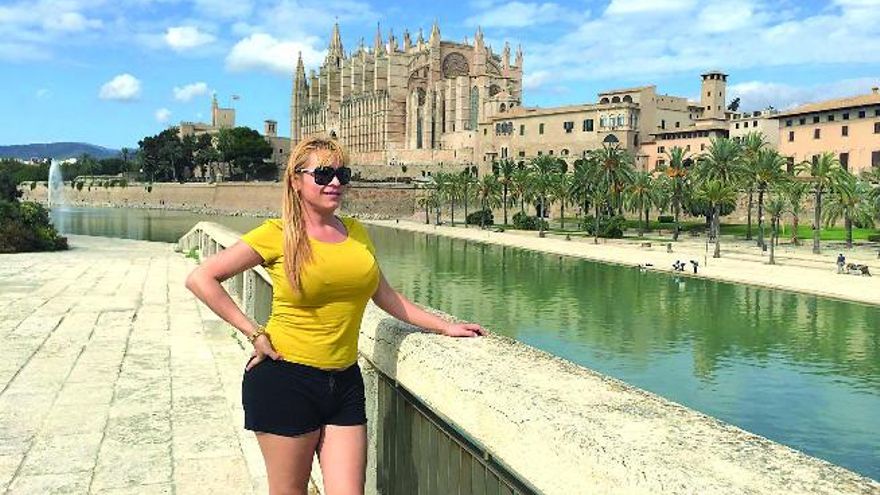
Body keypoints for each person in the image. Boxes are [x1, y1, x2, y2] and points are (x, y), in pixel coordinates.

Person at [185, 136, 485, 495]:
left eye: (343, 173)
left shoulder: (355, 232)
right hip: (285, 380)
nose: (336, 182)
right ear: (296, 180)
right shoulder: (276, 234)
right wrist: (253, 332)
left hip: (344, 382)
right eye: (324, 173)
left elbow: (386, 296)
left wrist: (445, 326)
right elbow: (201, 278)